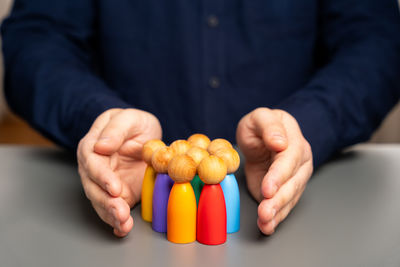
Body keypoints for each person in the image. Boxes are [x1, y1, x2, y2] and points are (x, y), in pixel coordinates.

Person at [2, 0, 400, 237]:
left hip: (300, 219)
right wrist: (99, 118)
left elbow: (378, 42)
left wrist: (305, 124)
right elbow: (35, 37)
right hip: (130, 204)